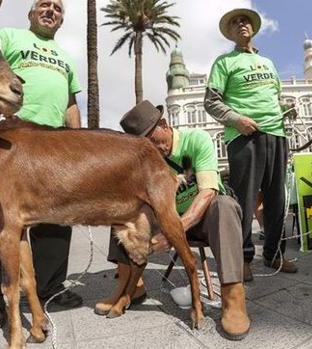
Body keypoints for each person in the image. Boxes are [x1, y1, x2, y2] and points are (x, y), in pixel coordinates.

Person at [96, 100, 250, 340]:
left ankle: (232, 296)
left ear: (165, 124)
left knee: (224, 205)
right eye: (146, 147)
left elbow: (207, 191)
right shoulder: (144, 160)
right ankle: (130, 287)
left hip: (207, 219)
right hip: (170, 219)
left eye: (156, 141)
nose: (155, 151)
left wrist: (172, 232)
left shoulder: (196, 140)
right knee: (124, 212)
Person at [0, 0, 83, 330]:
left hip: (54, 143)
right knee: (0, 218)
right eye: (44, 5)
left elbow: (70, 102)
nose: (51, 10)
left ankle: (50, 287)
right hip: (13, 134)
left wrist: (77, 143)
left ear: (62, 19)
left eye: (57, 8)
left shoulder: (66, 57)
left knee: (58, 216)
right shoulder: (10, 38)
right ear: (31, 12)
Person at [204, 8, 297, 281]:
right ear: (230, 33)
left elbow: (274, 96)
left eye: (244, 20)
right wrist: (236, 120)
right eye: (234, 22)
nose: (240, 24)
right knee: (243, 200)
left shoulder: (268, 62)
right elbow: (210, 102)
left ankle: (273, 254)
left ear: (252, 27)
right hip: (243, 137)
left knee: (276, 199)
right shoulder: (224, 62)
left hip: (277, 134)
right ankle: (243, 258)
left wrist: (285, 107)